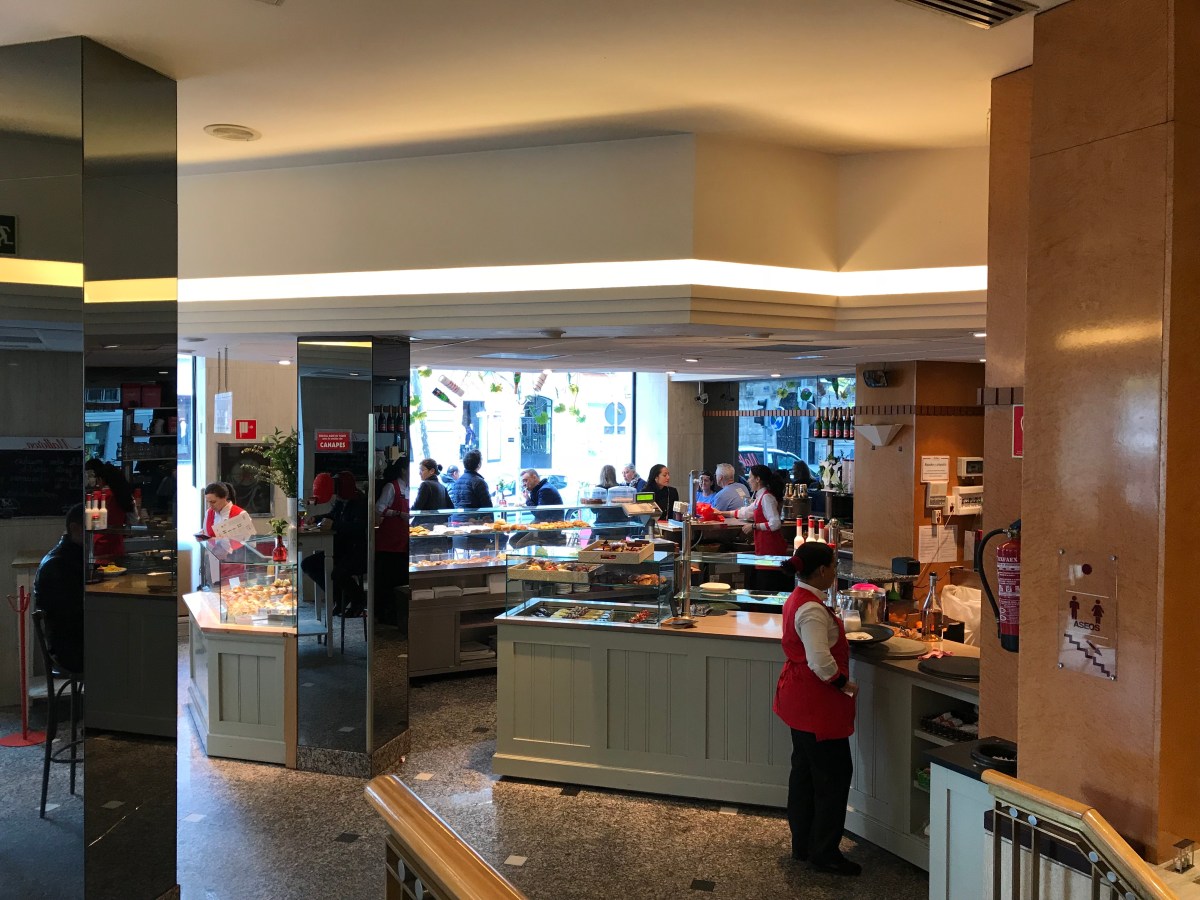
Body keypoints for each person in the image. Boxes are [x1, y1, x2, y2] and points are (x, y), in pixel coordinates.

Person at [775, 542, 860, 877]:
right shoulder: (811, 609)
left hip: (799, 700)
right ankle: (824, 853)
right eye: (834, 566)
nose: (836, 572)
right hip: (816, 704)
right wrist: (843, 684)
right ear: (822, 570)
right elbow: (819, 660)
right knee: (832, 779)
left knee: (805, 775)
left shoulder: (798, 598)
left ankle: (803, 845)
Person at [33, 504, 86, 673]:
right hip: (70, 651)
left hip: (69, 643)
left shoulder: (67, 555)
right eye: (91, 529)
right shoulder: (59, 564)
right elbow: (73, 614)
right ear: (74, 528)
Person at [727, 464, 788, 556]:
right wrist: (721, 513)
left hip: (771, 548)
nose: (748, 480)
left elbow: (775, 523)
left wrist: (754, 526)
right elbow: (746, 512)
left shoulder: (766, 497)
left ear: (757, 479)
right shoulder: (760, 497)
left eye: (750, 477)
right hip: (765, 547)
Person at [197, 482, 251, 584]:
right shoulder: (209, 512)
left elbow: (247, 542)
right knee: (214, 590)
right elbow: (206, 532)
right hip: (213, 561)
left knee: (233, 591)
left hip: (233, 563)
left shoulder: (240, 514)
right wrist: (202, 536)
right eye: (208, 502)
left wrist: (219, 540)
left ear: (224, 497)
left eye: (213, 502)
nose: (210, 505)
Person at [375, 460, 409, 625]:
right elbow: (378, 508)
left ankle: (398, 615)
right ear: (403, 470)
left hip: (402, 540)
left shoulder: (409, 488)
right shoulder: (391, 487)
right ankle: (385, 615)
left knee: (400, 580)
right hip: (388, 541)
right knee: (387, 580)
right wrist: (398, 513)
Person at [85, 458, 134, 559]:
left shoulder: (97, 496)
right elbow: (133, 520)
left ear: (101, 479)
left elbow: (89, 523)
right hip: (118, 547)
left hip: (100, 546)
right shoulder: (123, 495)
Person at [510, 467, 565, 548]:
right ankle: (537, 547)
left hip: (549, 528)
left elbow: (540, 514)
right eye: (523, 481)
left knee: (517, 542)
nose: (524, 484)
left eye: (526, 480)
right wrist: (527, 500)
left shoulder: (545, 490)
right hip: (541, 525)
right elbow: (539, 508)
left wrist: (527, 499)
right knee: (513, 540)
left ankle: (539, 545)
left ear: (534, 477)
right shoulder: (540, 489)